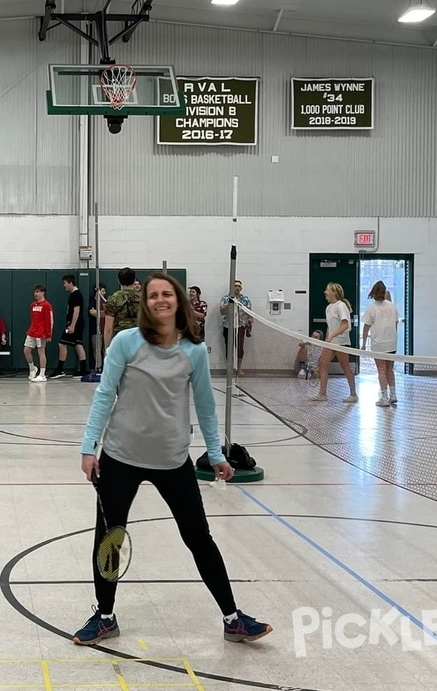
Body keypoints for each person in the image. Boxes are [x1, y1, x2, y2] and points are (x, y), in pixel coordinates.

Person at [73, 272, 271, 646]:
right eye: (153, 295)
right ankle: (105, 616)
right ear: (145, 303)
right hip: (119, 457)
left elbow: (206, 408)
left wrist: (215, 454)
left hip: (173, 460)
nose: (160, 300)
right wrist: (88, 447)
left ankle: (233, 618)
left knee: (199, 537)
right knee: (110, 539)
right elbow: (104, 396)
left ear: (177, 301)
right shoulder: (125, 343)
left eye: (167, 294)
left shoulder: (193, 351)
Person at [316, 282, 357, 403]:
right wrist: (327, 340)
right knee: (322, 365)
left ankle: (353, 395)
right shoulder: (328, 308)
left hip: (341, 342)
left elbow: (345, 325)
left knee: (345, 367)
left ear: (334, 292)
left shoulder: (341, 306)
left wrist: (333, 335)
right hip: (331, 342)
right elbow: (330, 327)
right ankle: (322, 394)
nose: (325, 292)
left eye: (327, 290)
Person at [361, 281, 400, 407]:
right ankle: (393, 394)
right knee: (389, 368)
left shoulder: (371, 308)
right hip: (391, 344)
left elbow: (366, 327)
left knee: (381, 369)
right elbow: (396, 323)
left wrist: (363, 343)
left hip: (379, 344)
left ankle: (384, 396)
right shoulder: (392, 306)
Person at [50, 274, 87, 378]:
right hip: (77, 324)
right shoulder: (75, 294)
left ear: (70, 283)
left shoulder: (76, 295)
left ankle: (60, 370)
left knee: (62, 344)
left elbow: (77, 310)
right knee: (78, 345)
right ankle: (83, 370)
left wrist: (72, 325)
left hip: (74, 324)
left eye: (65, 283)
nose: (64, 285)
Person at [218, 281, 252, 376]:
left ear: (241, 288)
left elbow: (249, 312)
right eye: (235, 286)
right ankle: (230, 369)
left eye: (238, 286)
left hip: (240, 326)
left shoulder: (245, 299)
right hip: (228, 326)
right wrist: (230, 304)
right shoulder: (225, 298)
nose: (237, 288)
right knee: (229, 348)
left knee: (240, 348)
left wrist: (250, 321)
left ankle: (239, 368)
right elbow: (222, 312)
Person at [103, 268, 140, 348]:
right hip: (138, 340)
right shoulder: (142, 298)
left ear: (119, 281)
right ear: (134, 281)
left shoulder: (113, 299)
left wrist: (107, 349)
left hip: (120, 340)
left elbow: (108, 328)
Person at [25, 285, 53, 382]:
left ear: (43, 292)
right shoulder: (33, 305)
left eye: (37, 292)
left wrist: (49, 334)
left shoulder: (46, 305)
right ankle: (32, 368)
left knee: (41, 352)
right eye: (35, 292)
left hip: (41, 333)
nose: (35, 294)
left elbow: (49, 320)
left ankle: (42, 374)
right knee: (26, 350)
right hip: (32, 331)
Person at [89, 283, 106, 372]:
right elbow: (92, 312)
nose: (104, 293)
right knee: (97, 349)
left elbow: (107, 314)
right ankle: (98, 367)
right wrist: (100, 313)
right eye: (102, 291)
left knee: (106, 349)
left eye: (104, 291)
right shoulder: (92, 301)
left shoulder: (106, 302)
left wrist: (98, 312)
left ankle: (107, 367)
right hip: (96, 330)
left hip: (105, 329)